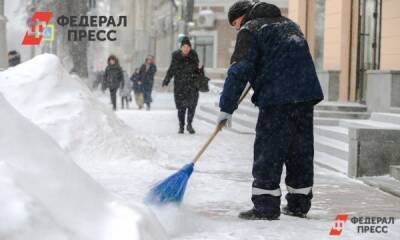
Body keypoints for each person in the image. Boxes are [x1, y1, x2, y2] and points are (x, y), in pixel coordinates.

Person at [218, 1, 324, 220]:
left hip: (277, 99)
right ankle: (299, 204)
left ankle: (265, 207)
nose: (237, 28)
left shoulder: (251, 29)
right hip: (304, 96)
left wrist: (226, 107)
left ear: (243, 17)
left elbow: (238, 70)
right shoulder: (290, 25)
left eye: (235, 23)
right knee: (300, 151)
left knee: (269, 153)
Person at [162, 37, 201, 134]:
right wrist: (166, 80)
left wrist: (200, 72)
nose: (186, 48)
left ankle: (189, 124)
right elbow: (172, 69)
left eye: (188, 47)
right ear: (181, 47)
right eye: (184, 46)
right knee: (181, 107)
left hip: (192, 86)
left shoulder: (194, 56)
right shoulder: (176, 56)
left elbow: (198, 71)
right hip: (180, 86)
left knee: (192, 106)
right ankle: (181, 125)